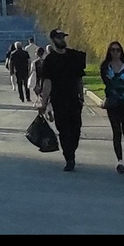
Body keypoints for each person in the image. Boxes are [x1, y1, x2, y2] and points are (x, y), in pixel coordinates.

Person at [36, 29, 89, 171]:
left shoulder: (74, 56)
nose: (62, 40)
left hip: (74, 99)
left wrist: (81, 97)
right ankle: (69, 158)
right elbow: (47, 82)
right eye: (59, 38)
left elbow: (79, 79)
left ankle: (71, 151)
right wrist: (44, 102)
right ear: (53, 40)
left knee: (76, 129)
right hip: (58, 100)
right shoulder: (50, 60)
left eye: (63, 37)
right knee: (64, 130)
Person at [99, 40, 124, 174]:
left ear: (121, 52)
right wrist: (122, 83)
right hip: (113, 104)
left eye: (118, 50)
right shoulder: (105, 67)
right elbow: (108, 83)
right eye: (112, 50)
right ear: (109, 52)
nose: (115, 52)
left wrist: (119, 84)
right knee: (116, 131)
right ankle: (119, 160)